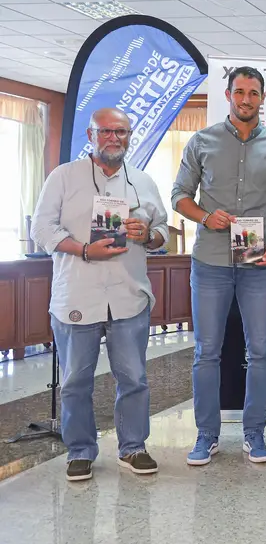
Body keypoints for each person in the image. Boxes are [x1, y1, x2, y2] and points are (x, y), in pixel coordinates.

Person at [32, 108, 169, 481]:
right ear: (91, 135)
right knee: (76, 380)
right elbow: (41, 228)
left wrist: (148, 235)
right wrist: (84, 250)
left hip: (128, 296)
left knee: (135, 378)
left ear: (129, 137)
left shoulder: (142, 181)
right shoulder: (64, 177)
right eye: (106, 131)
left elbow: (163, 232)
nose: (114, 138)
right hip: (78, 296)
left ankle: (133, 447)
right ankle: (80, 450)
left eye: (121, 132)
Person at [172, 65, 266, 466]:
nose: (246, 99)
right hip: (210, 262)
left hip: (258, 264)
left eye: (253, 93)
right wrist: (206, 217)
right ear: (228, 94)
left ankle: (253, 433)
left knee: (260, 351)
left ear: (263, 98)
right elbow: (179, 195)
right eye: (239, 91)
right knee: (206, 352)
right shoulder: (202, 141)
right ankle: (206, 435)